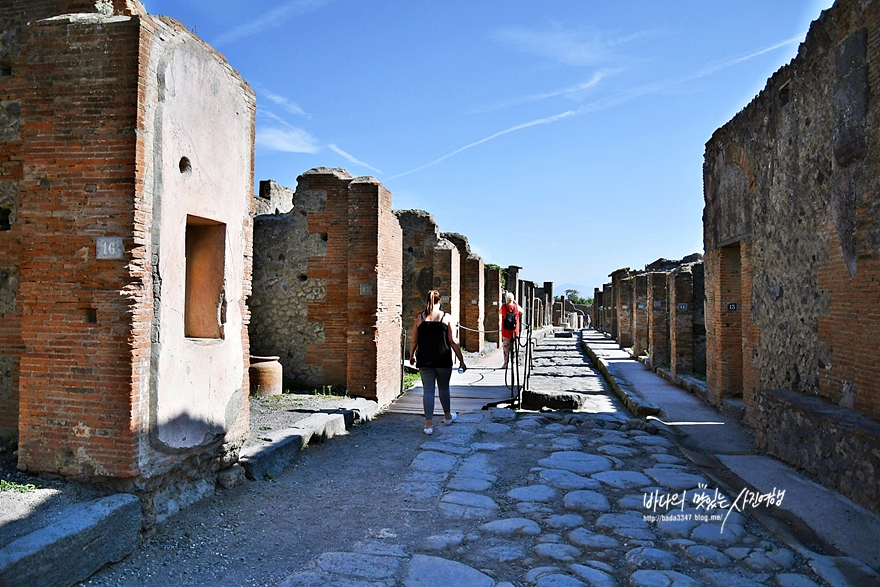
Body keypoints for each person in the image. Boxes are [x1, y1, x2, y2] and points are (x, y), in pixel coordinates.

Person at [409, 290, 467, 435]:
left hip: (424, 359)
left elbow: (414, 340)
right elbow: (453, 341)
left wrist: (411, 355)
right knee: (444, 388)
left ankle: (428, 426)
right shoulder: (446, 318)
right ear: (439, 301)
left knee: (428, 391)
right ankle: (447, 417)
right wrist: (461, 360)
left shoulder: (419, 318)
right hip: (443, 359)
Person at [500, 291, 524, 369]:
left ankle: (505, 363)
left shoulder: (504, 307)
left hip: (505, 331)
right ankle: (513, 363)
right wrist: (515, 303)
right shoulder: (516, 307)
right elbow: (522, 311)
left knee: (505, 348)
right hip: (514, 331)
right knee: (513, 348)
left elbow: (499, 312)